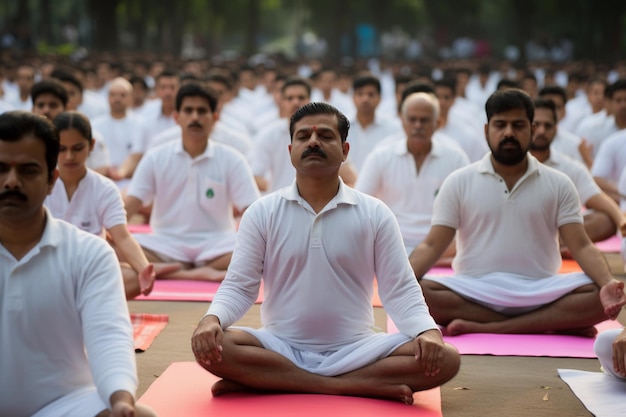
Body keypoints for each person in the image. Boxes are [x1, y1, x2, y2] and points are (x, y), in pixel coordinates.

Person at [191, 102, 460, 404]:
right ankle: (355, 386)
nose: (314, 142)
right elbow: (240, 285)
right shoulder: (261, 213)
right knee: (212, 344)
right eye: (304, 136)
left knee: (446, 358)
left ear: (345, 150)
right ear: (291, 149)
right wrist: (211, 319)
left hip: (357, 348)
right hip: (280, 346)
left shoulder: (375, 213)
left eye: (326, 137)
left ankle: (277, 381)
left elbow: (399, 288)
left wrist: (427, 332)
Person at [409, 89, 626, 336]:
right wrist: (401, 279)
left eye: (518, 125)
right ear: (486, 130)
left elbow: (582, 246)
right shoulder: (458, 181)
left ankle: (491, 326)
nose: (509, 133)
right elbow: (432, 245)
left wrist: (607, 283)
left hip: (542, 289)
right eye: (500, 125)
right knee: (421, 291)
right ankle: (551, 323)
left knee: (598, 293)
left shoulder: (559, 182)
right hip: (474, 288)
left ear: (532, 130)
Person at [0, 110, 155, 416]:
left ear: (50, 180)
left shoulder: (90, 254)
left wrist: (120, 399)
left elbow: (108, 333)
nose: (12, 182)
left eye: (28, 171)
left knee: (142, 415)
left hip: (62, 404)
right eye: (1, 169)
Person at [125, 83, 260, 281]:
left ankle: (175, 271)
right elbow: (131, 204)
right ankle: (196, 272)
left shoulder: (232, 158)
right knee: (113, 248)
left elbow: (253, 211)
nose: (195, 117)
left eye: (202, 111)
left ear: (215, 117)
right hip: (165, 243)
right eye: (188, 111)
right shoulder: (156, 157)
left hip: (218, 245)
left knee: (263, 249)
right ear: (176, 117)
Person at [44, 110, 180, 299]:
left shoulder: (105, 188)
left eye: (77, 148)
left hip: (89, 270)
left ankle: (70, 301)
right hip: (48, 270)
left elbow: (122, 236)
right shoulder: (41, 185)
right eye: (62, 149)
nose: (69, 157)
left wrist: (143, 269)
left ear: (91, 146)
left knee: (133, 277)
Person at [356, 92, 468, 258]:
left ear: (438, 123)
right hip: (389, 246)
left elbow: (469, 210)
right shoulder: (380, 157)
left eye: (424, 120)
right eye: (412, 119)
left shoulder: (455, 158)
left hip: (442, 249)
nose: (417, 126)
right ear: (402, 121)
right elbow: (359, 206)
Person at [529, 98, 626, 243]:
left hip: (558, 231)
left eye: (547, 126)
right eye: (536, 125)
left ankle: (553, 245)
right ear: (526, 127)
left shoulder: (569, 166)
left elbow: (597, 198)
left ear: (556, 129)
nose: (541, 131)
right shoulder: (509, 163)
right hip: (523, 228)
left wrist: (621, 219)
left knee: (605, 220)